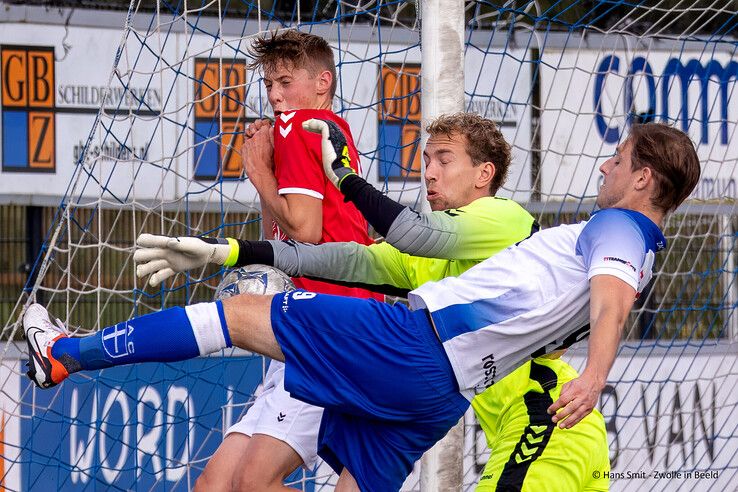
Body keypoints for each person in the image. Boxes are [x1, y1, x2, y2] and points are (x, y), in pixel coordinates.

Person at [23, 122, 701, 491]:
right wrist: (236, 253)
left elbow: (611, 301)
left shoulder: (607, 229)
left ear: (643, 178)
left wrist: (343, 174)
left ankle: (63, 355)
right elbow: (366, 262)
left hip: (414, 343)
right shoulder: (632, 245)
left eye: (618, 159)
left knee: (238, 320)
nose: (605, 167)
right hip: (443, 392)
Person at [167, 30, 380, 491]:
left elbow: (303, 232)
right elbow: (283, 239)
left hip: (326, 325)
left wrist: (259, 171)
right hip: (309, 322)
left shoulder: (301, 126)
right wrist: (267, 176)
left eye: (285, 81)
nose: (275, 95)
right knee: (213, 485)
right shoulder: (323, 132)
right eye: (268, 84)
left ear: (322, 82)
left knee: (254, 483)